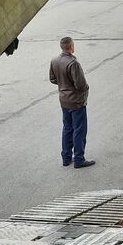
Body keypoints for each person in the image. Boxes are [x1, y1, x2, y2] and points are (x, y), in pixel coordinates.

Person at [49, 37, 95, 169]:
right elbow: (80, 85)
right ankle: (79, 158)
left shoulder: (54, 61)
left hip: (64, 101)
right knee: (79, 130)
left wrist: (64, 85)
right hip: (76, 102)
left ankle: (66, 157)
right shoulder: (73, 63)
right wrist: (86, 90)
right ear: (71, 47)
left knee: (67, 129)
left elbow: (53, 79)